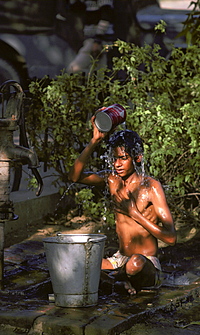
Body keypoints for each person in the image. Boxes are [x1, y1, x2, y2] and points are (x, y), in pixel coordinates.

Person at [68, 113, 177, 295]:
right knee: (77, 263)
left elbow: (171, 238)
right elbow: (74, 177)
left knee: (134, 264)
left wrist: (134, 213)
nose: (117, 164)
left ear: (138, 158)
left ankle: (114, 280)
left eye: (123, 158)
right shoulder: (112, 180)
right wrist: (95, 140)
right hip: (120, 259)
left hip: (144, 262)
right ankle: (118, 282)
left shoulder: (151, 187)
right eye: (115, 158)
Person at [66, 0, 115, 73]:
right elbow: (75, 8)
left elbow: (106, 18)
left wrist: (97, 41)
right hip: (92, 39)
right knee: (99, 73)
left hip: (98, 40)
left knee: (73, 69)